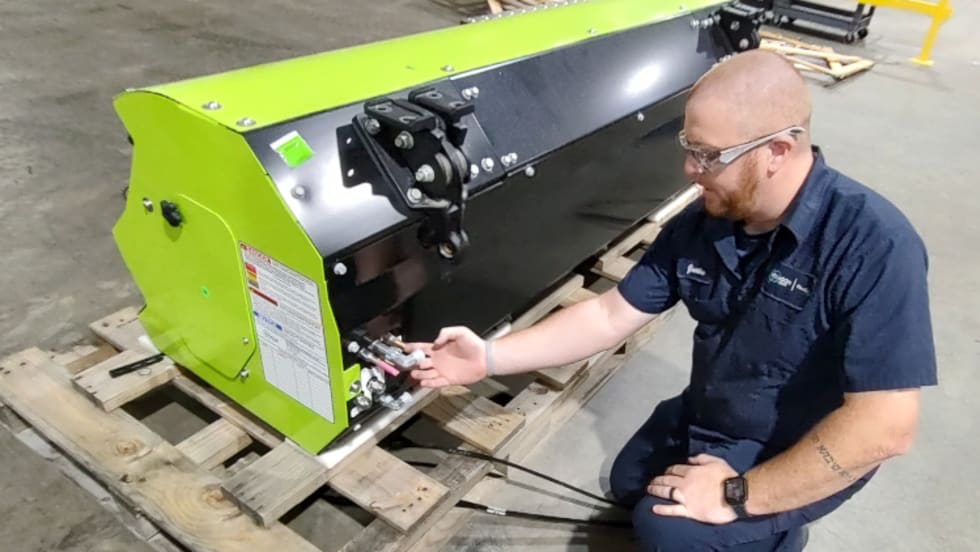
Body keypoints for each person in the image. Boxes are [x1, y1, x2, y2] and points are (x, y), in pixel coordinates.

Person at [406, 50, 937, 551]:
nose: (689, 169)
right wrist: (487, 357)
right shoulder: (708, 220)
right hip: (714, 411)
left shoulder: (873, 245)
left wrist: (739, 494)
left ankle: (778, 535)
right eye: (689, 147)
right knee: (629, 482)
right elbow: (610, 313)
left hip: (796, 442)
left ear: (776, 151)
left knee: (664, 530)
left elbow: (885, 428)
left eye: (708, 155)